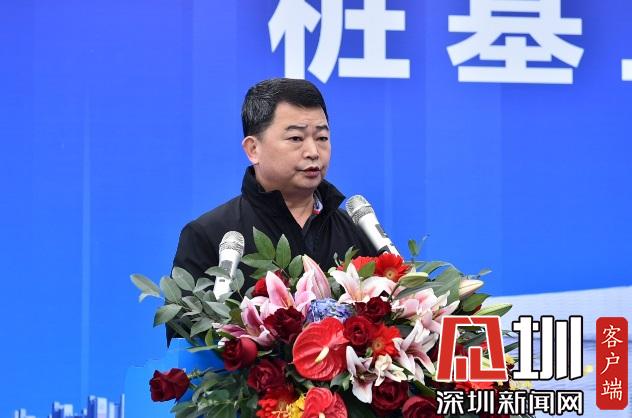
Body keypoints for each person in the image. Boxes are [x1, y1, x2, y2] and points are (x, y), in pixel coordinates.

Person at [172, 77, 376, 289]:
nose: (313, 152)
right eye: (296, 138)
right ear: (253, 149)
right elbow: (189, 312)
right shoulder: (208, 235)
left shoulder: (356, 232)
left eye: (322, 138)